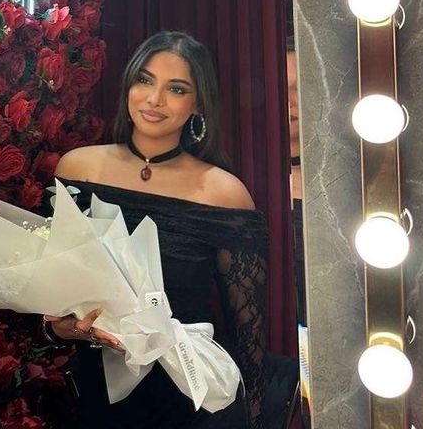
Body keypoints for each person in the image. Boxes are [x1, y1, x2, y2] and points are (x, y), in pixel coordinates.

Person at [43, 31, 267, 429]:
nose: (154, 99)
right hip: (90, 392)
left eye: (176, 89)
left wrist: (253, 419)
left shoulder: (224, 194)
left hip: (186, 397)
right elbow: (49, 291)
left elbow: (248, 335)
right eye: (144, 81)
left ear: (198, 104)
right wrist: (56, 328)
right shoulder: (77, 169)